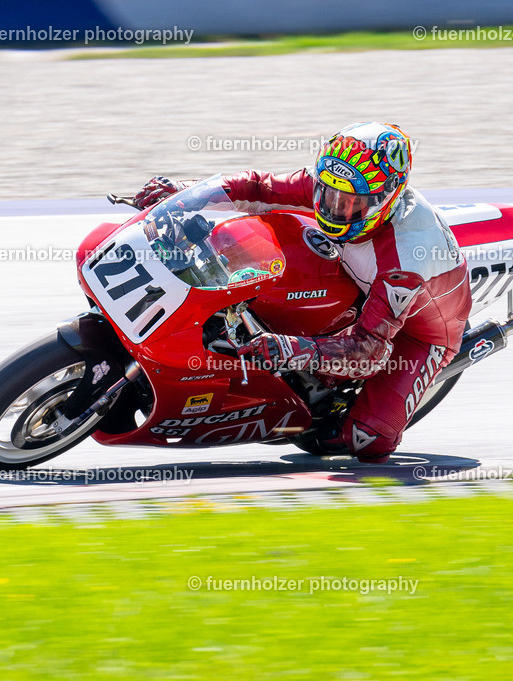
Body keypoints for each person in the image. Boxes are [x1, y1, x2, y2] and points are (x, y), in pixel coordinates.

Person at [132, 122, 472, 463]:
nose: (334, 207)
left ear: (385, 199)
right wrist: (183, 194)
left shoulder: (405, 259)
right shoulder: (338, 180)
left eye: (351, 202)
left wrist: (291, 349)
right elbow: (257, 186)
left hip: (419, 332)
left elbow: (369, 350)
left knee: (368, 441)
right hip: (357, 273)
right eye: (329, 192)